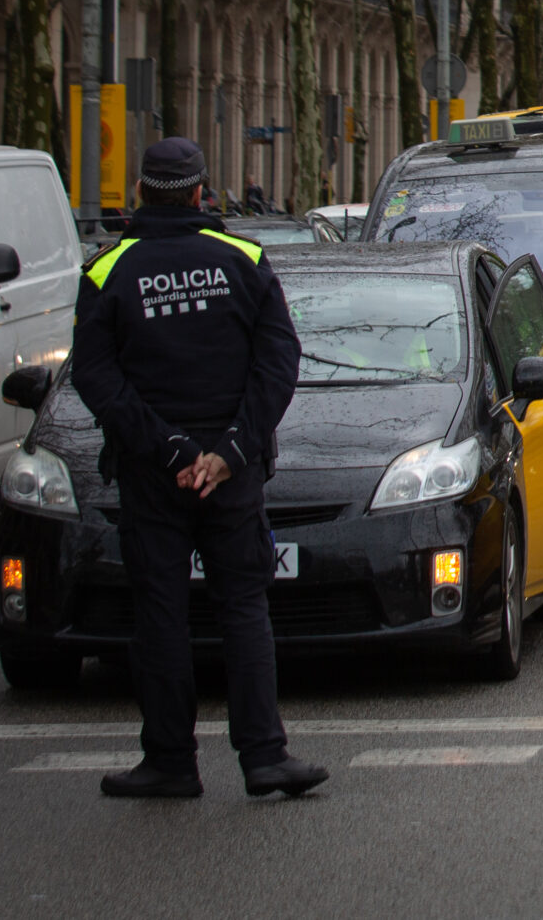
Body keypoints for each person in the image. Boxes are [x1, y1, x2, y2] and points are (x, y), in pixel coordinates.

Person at [66, 138, 326, 800]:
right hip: (232, 471)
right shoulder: (243, 260)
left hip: (154, 473)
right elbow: (279, 364)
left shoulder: (108, 271)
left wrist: (170, 449)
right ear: (200, 191)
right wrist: (231, 449)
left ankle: (171, 761)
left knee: (160, 614)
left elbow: (97, 378)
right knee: (243, 607)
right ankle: (264, 756)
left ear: (142, 190)